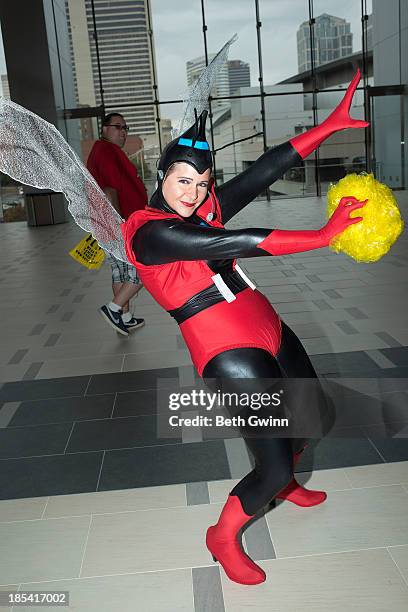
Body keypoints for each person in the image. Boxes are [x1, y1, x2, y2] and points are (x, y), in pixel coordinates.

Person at [121, 70, 369, 585]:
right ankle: (223, 535)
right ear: (161, 175)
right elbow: (243, 243)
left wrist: (327, 127)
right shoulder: (151, 233)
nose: (193, 193)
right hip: (229, 352)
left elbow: (263, 171)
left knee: (314, 415)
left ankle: (283, 483)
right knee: (272, 464)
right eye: (182, 180)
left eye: (201, 182)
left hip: (270, 327)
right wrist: (324, 235)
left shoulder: (202, 208)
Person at [87, 112, 147, 336]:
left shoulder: (101, 151)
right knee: (143, 267)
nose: (122, 132)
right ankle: (113, 309)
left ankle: (125, 317)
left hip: (107, 223)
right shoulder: (107, 151)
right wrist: (121, 223)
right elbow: (110, 189)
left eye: (125, 128)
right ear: (104, 129)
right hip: (120, 222)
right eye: (117, 127)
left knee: (120, 271)